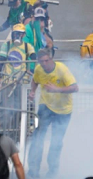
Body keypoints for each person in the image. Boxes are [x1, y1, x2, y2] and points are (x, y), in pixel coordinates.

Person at [28, 49, 78, 178]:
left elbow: (75, 87)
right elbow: (35, 80)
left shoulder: (61, 69)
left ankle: (52, 172)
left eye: (46, 61)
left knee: (56, 141)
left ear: (51, 59)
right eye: (41, 61)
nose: (44, 64)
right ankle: (33, 171)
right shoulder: (39, 69)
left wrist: (57, 89)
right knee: (37, 138)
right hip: (45, 106)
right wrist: (33, 91)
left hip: (63, 111)